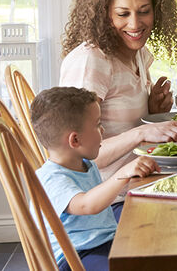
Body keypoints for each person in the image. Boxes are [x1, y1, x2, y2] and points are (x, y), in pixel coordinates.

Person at [60, 0, 177, 179]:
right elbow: (75, 155)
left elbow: (121, 127)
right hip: (106, 201)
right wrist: (142, 131)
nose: (135, 24)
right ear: (104, 15)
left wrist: (152, 113)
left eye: (144, 11)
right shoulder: (91, 61)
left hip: (142, 180)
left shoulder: (136, 52)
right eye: (123, 14)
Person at [31, 86, 161, 271]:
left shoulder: (85, 164)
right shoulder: (51, 179)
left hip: (104, 241)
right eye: (97, 124)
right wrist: (122, 174)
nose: (103, 129)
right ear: (75, 140)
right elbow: (86, 205)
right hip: (75, 256)